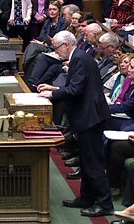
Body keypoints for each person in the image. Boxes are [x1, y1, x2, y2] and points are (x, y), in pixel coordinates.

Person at [37, 30, 114, 216]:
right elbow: (77, 85)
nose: (56, 52)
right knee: (86, 162)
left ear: (66, 45)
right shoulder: (80, 56)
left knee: (93, 163)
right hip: (86, 117)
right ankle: (87, 198)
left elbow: (75, 90)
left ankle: (105, 204)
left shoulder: (79, 58)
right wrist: (54, 87)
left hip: (91, 118)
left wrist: (53, 94)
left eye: (56, 48)